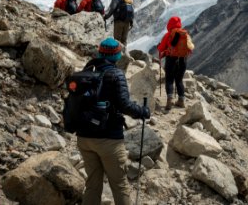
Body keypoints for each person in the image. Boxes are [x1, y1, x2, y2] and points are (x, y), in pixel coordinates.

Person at [76, 37, 150, 205]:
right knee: (119, 185)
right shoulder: (116, 74)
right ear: (116, 55)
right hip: (109, 139)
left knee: (92, 185)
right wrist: (143, 112)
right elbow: (125, 105)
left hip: (84, 137)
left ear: (100, 53)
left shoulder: (88, 69)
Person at [157, 16, 193, 110]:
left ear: (169, 24)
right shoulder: (185, 35)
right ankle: (181, 101)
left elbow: (161, 48)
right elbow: (191, 47)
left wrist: (160, 47)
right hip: (182, 60)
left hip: (171, 60)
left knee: (169, 80)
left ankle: (170, 100)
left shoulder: (168, 35)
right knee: (179, 80)